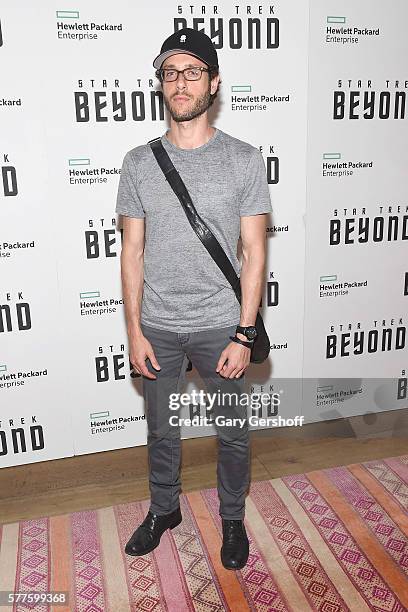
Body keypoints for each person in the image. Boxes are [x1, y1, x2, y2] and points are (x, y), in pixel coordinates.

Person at [115, 27, 272, 571]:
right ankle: (165, 510)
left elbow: (254, 253)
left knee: (232, 434)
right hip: (157, 324)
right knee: (161, 430)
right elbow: (131, 252)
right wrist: (134, 331)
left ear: (214, 82)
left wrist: (243, 332)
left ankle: (232, 517)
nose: (179, 83)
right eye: (170, 72)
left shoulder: (244, 160)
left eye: (192, 71)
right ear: (160, 84)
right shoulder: (138, 162)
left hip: (219, 326)